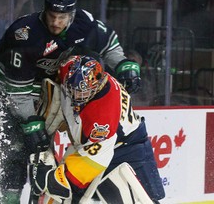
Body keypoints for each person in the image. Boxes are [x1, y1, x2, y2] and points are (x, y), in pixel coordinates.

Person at [0, 0, 141, 202]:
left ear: (72, 14)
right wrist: (30, 122)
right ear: (44, 11)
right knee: (20, 146)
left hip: (52, 86)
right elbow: (16, 92)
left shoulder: (85, 23)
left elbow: (109, 45)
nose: (56, 23)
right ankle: (7, 198)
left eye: (62, 17)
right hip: (8, 89)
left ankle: (41, 193)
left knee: (41, 147)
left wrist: (123, 63)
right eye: (52, 16)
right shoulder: (25, 34)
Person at [30, 55, 165, 203]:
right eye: (73, 90)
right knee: (71, 198)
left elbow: (89, 164)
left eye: (83, 92)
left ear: (97, 84)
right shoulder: (71, 70)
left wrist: (52, 180)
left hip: (128, 149)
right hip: (93, 144)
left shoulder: (102, 116)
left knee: (143, 200)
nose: (76, 96)